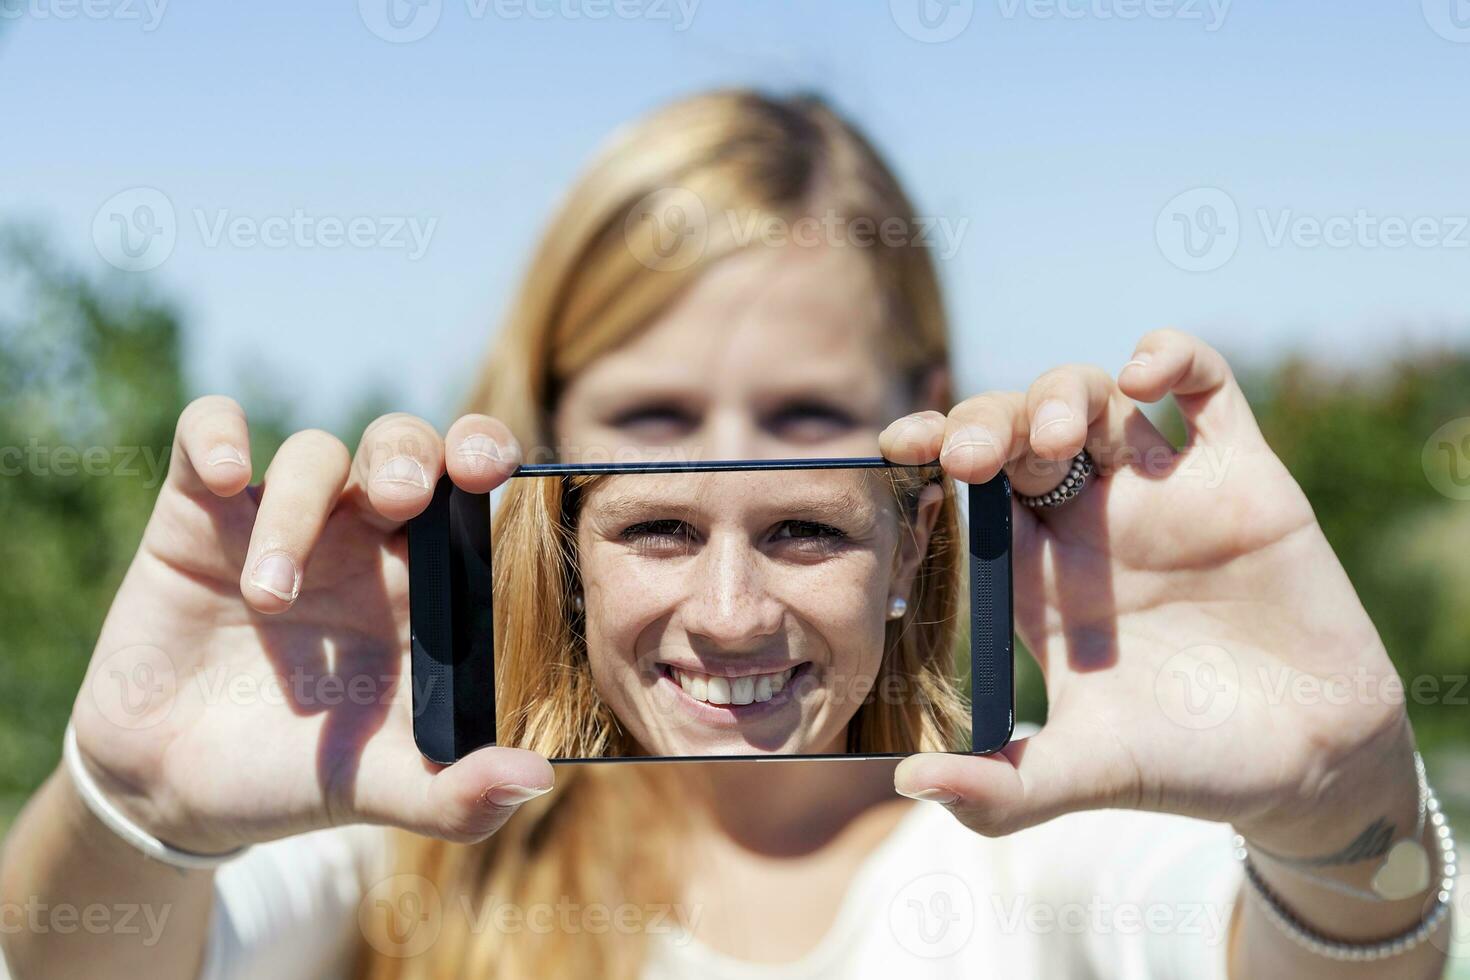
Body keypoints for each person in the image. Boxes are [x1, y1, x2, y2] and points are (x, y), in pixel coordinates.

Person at [0, 90, 1453, 980]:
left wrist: (1338, 818)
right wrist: (138, 807)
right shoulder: (426, 839)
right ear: (543, 454)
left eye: (807, 429)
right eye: (647, 429)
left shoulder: (1038, 849)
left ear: (920, 466)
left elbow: (1305, 955)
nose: (734, 610)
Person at [495, 463, 968, 759]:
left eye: (806, 530)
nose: (729, 621)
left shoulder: (1017, 864)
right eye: (659, 529)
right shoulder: (466, 860)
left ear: (905, 553)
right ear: (567, 557)